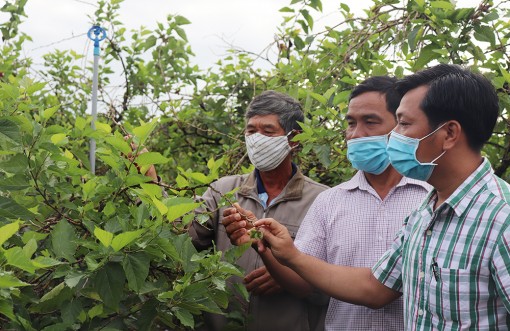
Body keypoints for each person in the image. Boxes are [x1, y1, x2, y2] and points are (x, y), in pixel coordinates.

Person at [243, 64, 510, 330]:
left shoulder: (501, 217)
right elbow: (375, 288)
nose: (395, 137)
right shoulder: (425, 214)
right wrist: (289, 254)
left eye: (404, 124)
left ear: (449, 133)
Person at [223, 76, 432, 330]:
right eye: (351, 123)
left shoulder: (431, 198)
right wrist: (264, 246)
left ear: (400, 124)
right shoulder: (330, 202)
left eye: (370, 122)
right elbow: (302, 283)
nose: (356, 134)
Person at [188, 90, 329, 331]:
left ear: (293, 139)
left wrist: (288, 276)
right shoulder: (224, 190)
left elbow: (333, 286)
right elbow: (183, 235)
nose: (257, 138)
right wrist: (149, 188)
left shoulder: (323, 200)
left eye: (268, 131)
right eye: (251, 131)